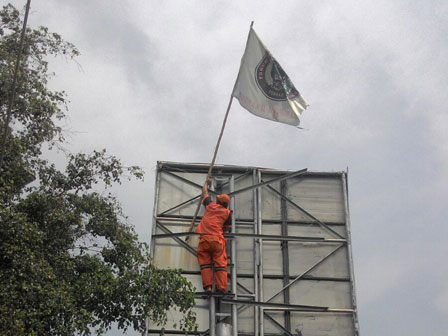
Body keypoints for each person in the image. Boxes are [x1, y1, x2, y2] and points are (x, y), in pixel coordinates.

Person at [195, 178, 232, 293]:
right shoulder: (227, 213)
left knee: (205, 264)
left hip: (205, 239)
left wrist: (206, 182)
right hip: (217, 241)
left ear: (218, 201)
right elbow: (227, 229)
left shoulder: (210, 205)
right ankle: (221, 288)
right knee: (220, 264)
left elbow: (204, 192)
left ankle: (208, 287)